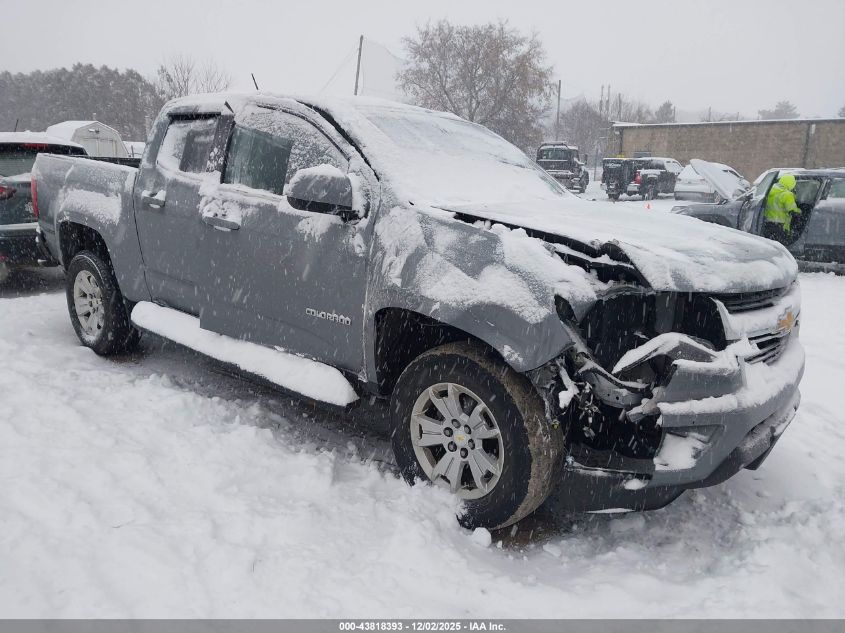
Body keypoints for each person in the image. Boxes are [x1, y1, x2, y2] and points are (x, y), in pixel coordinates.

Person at [763, 173, 801, 245]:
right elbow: (792, 210)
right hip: (780, 226)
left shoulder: (769, 190)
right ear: (790, 184)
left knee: (769, 244)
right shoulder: (787, 194)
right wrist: (800, 211)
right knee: (780, 245)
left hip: (767, 224)